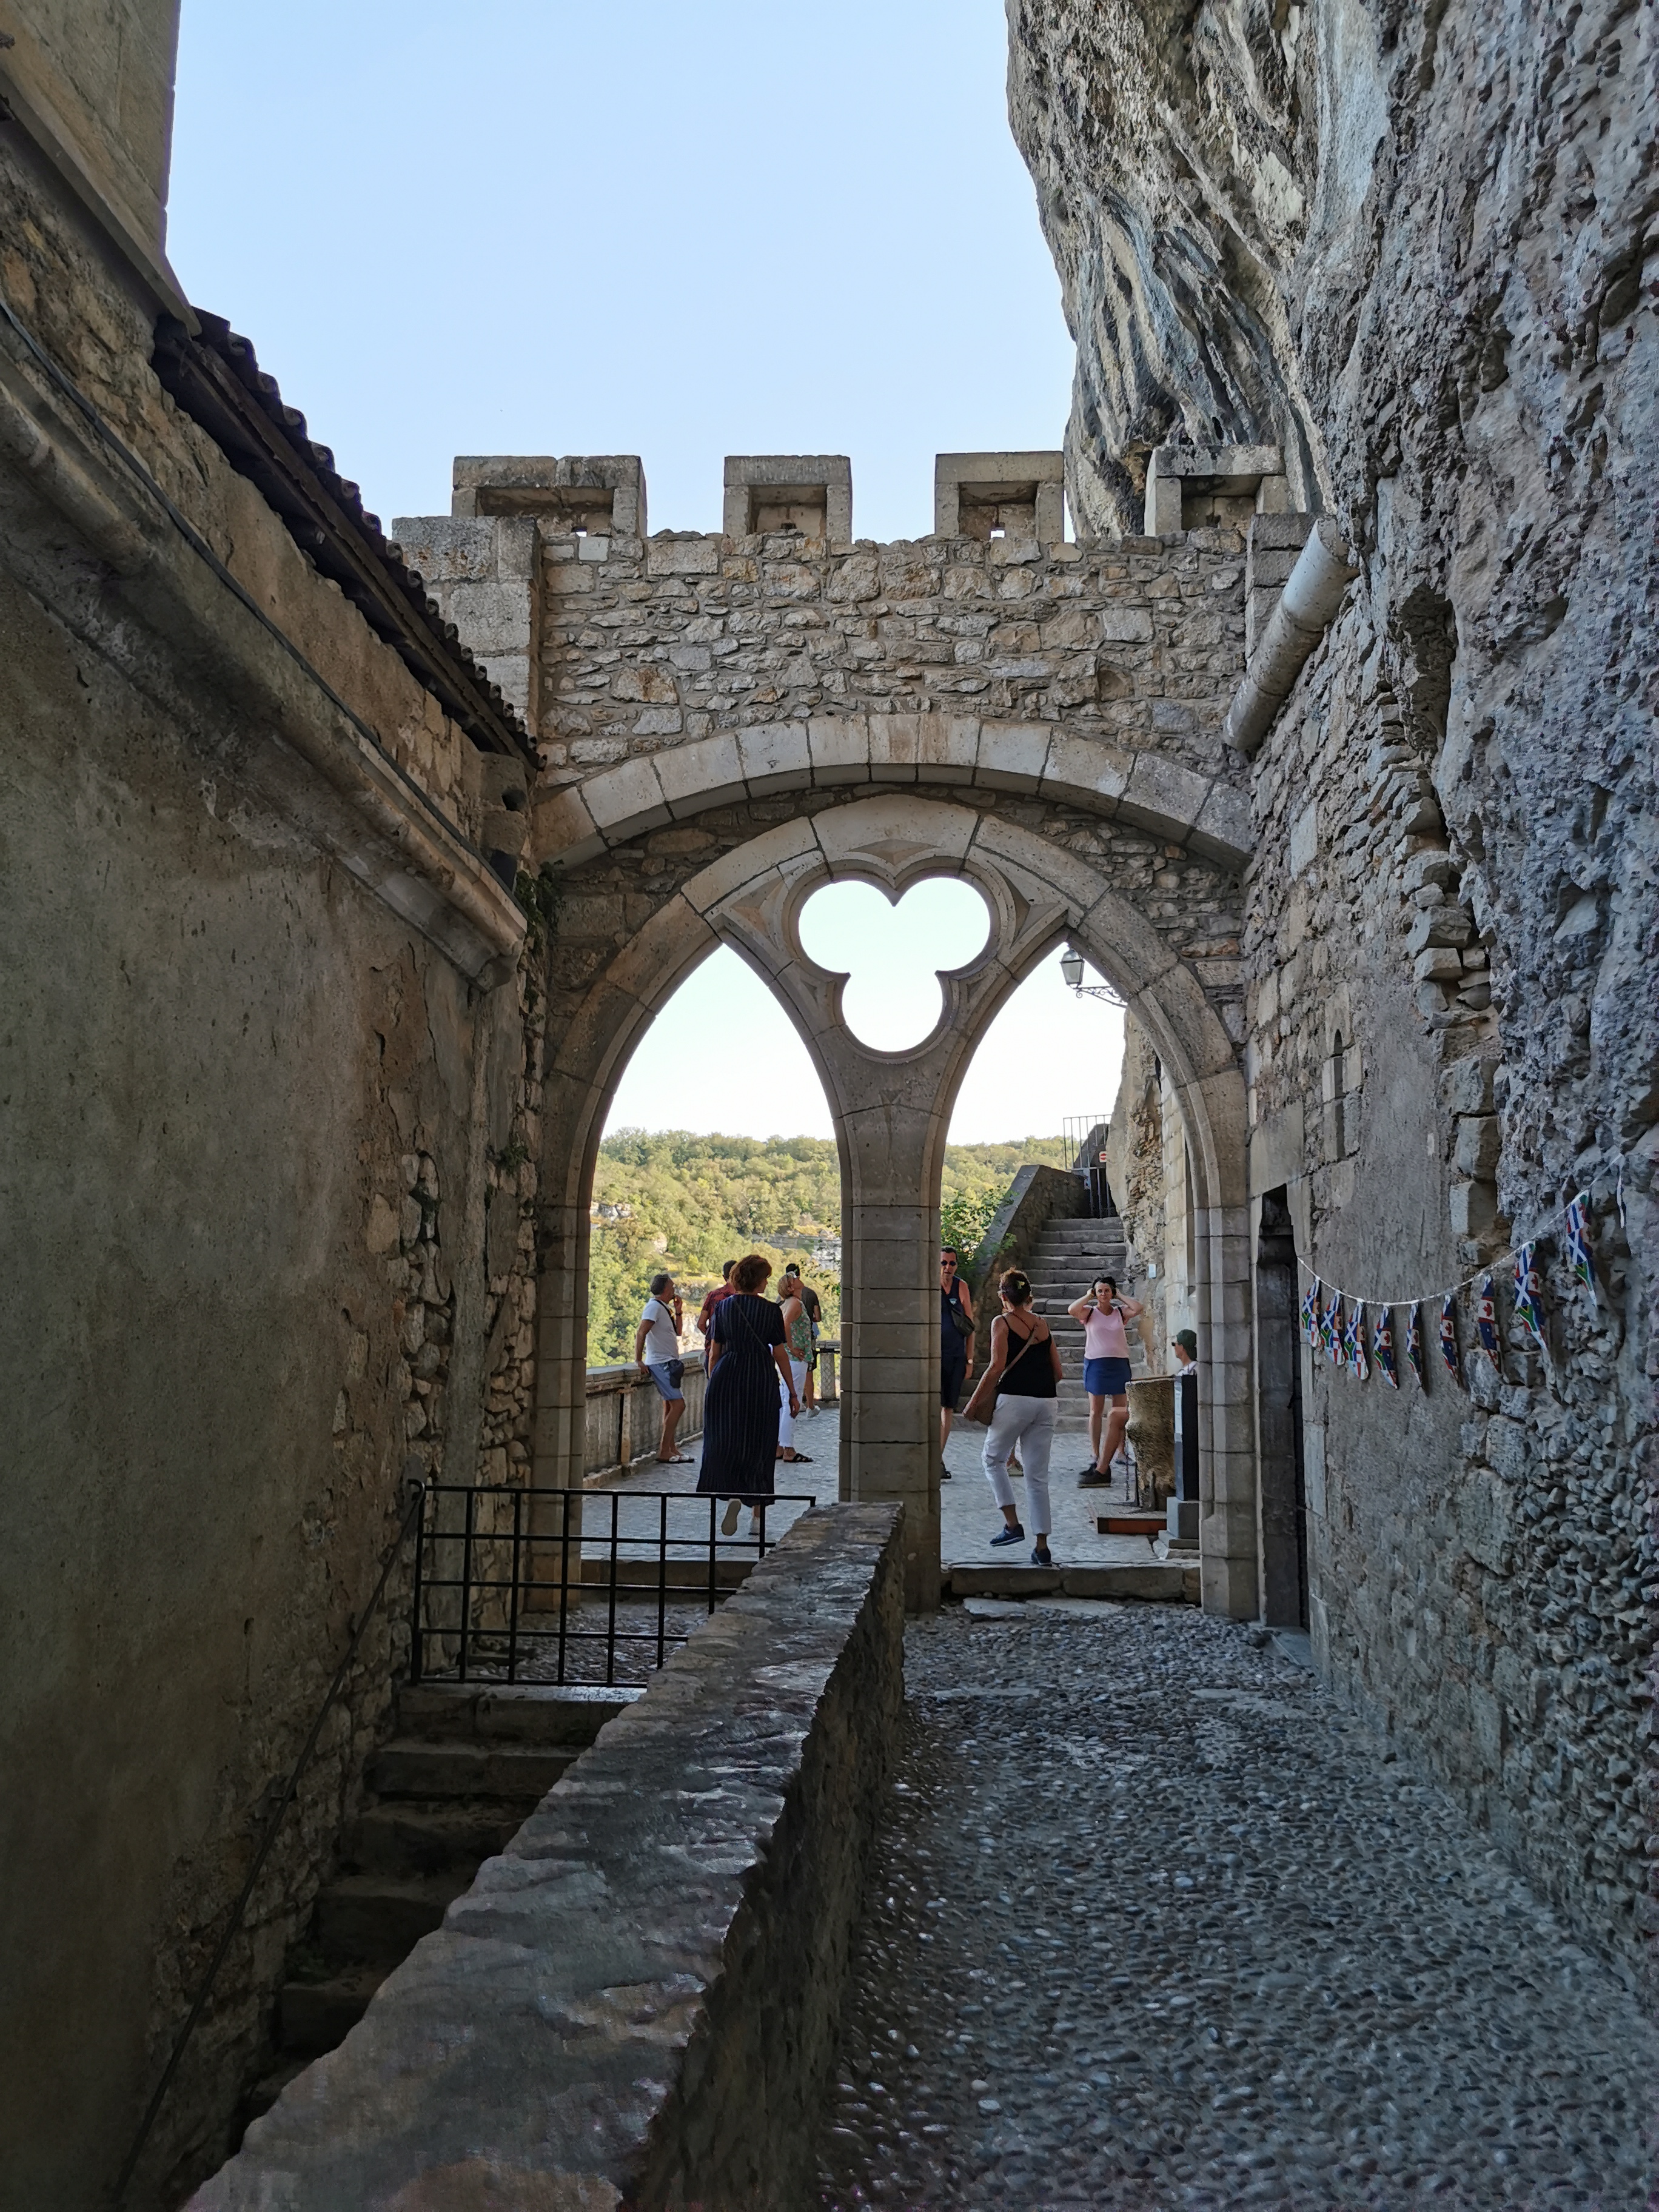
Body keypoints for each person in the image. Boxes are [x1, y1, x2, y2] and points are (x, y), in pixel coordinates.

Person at [962, 1268, 1063, 1566]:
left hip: (1015, 1401)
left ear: (1003, 1296)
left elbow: (996, 1367)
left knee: (992, 1459)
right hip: (1047, 1403)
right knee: (1037, 1476)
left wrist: (973, 1403)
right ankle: (1042, 1548)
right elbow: (1058, 1372)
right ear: (1028, 1295)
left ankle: (1012, 1524)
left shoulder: (1002, 1322)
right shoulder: (1043, 1324)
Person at [698, 1253, 799, 1535]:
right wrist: (792, 1392)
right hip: (759, 1377)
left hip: (727, 1376)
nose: (767, 1282)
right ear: (758, 1280)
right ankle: (757, 1516)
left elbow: (714, 1353)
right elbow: (780, 1353)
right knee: (761, 1443)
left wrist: (714, 1384)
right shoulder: (771, 1311)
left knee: (729, 1439)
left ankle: (732, 1493)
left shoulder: (723, 1308)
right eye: (765, 1277)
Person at [1068, 1275, 1144, 1487]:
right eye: (1100, 1291)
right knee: (1096, 1410)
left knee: (1120, 1412)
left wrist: (1120, 1295)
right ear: (1095, 1293)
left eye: (1107, 1291)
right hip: (1096, 1365)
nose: (1103, 1294)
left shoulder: (1120, 1312)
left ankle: (1121, 1452)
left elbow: (1138, 1308)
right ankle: (1095, 1454)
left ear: (1112, 1292)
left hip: (1119, 1364)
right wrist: (1088, 1296)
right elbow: (1072, 1310)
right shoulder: (1089, 1312)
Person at [634, 1272, 690, 1464]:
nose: (674, 1290)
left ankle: (671, 1449)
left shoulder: (663, 1308)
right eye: (672, 1287)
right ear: (665, 1289)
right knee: (679, 1405)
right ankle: (664, 1451)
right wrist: (638, 1360)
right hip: (660, 1363)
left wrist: (679, 1311)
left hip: (668, 1362)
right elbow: (641, 1332)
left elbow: (678, 1332)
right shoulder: (653, 1307)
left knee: (670, 1406)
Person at [939, 1245, 976, 1478]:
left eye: (952, 1263)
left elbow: (970, 1326)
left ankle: (938, 1458)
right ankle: (932, 1457)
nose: (948, 1267)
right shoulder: (928, 1286)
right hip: (933, 1357)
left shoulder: (961, 1287)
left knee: (948, 1407)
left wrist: (969, 1360)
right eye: (944, 1263)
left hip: (955, 1356)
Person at [776, 1271, 814, 1464]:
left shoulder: (786, 1304)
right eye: (794, 1278)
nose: (798, 1278)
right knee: (793, 1402)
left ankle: (779, 1447)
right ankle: (789, 1449)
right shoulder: (796, 1303)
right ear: (790, 1287)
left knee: (785, 1401)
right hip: (796, 1360)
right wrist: (791, 1346)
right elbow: (785, 1324)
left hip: (789, 1360)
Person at [784, 1262, 823, 1412]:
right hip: (806, 1340)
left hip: (788, 1341)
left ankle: (793, 1401)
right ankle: (809, 1405)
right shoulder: (810, 1294)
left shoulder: (782, 1297)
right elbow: (818, 1317)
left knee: (789, 1373)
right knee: (808, 1372)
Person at [697, 1261, 737, 1338]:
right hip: (736, 1344)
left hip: (713, 1343)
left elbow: (701, 1324)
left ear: (724, 1277)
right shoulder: (746, 1298)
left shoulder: (714, 1296)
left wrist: (712, 1337)